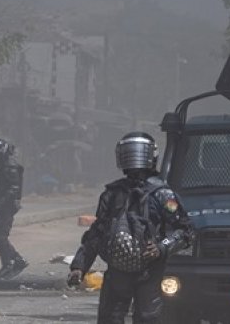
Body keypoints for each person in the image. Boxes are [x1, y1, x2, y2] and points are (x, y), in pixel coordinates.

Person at [68, 132, 193, 324]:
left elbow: (184, 231)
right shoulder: (111, 194)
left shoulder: (162, 194)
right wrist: (79, 266)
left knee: (147, 318)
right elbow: (96, 234)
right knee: (110, 319)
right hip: (118, 272)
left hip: (150, 272)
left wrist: (161, 248)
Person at [0, 138, 27, 279]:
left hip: (7, 207)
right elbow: (3, 188)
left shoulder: (10, 166)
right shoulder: (5, 166)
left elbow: (13, 189)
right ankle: (14, 260)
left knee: (0, 235)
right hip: (4, 205)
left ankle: (12, 263)